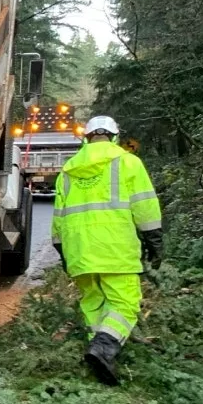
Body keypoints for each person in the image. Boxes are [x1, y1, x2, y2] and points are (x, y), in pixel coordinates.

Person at [51, 115, 163, 385]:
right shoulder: (128, 162)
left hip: (79, 251)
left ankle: (99, 356)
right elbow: (145, 206)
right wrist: (154, 241)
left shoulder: (67, 170)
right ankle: (104, 348)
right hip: (116, 248)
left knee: (93, 301)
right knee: (125, 303)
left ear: (87, 138)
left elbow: (58, 218)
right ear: (114, 137)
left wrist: (62, 251)